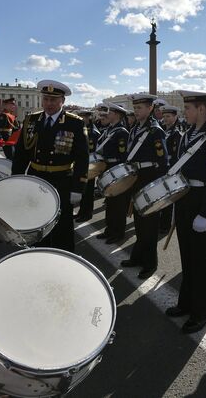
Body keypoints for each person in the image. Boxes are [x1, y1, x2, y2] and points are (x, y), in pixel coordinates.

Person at [165, 90, 206, 334]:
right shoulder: (186, 135)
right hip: (185, 199)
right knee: (187, 257)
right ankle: (186, 303)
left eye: (188, 108)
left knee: (201, 261)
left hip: (202, 202)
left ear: (201, 109)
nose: (184, 112)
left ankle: (202, 312)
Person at [12, 80, 88, 253]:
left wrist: (78, 187)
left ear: (63, 101)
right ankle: (39, 253)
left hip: (62, 181)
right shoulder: (31, 120)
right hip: (36, 178)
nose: (49, 104)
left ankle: (63, 257)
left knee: (63, 224)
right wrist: (16, 180)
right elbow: (21, 154)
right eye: (45, 99)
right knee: (36, 220)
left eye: (53, 100)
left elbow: (82, 158)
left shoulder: (74, 123)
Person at [120, 93, 168, 280]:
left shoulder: (155, 131)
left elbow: (162, 161)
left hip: (148, 180)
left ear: (150, 109)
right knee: (140, 223)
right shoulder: (134, 129)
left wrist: (156, 187)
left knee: (149, 224)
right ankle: (137, 257)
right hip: (136, 178)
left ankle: (150, 263)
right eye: (135, 107)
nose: (136, 111)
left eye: (140, 108)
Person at [95, 103, 130, 243]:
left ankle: (118, 233)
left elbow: (123, 156)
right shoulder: (109, 130)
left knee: (118, 205)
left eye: (110, 112)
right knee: (110, 203)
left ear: (117, 115)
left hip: (116, 170)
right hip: (107, 169)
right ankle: (109, 230)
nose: (107, 114)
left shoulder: (121, 132)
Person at [160, 104, 183, 234]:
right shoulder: (163, 131)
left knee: (168, 198)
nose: (165, 119)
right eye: (164, 116)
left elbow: (177, 156)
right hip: (161, 168)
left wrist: (172, 170)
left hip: (170, 168)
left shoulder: (177, 134)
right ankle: (161, 221)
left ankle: (165, 224)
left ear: (175, 117)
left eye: (168, 116)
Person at [76, 108, 100, 222]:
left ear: (88, 118)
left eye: (83, 117)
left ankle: (87, 213)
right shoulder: (83, 129)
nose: (81, 119)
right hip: (83, 164)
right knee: (82, 190)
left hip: (90, 165)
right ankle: (81, 211)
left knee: (88, 191)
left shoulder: (93, 132)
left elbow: (93, 151)